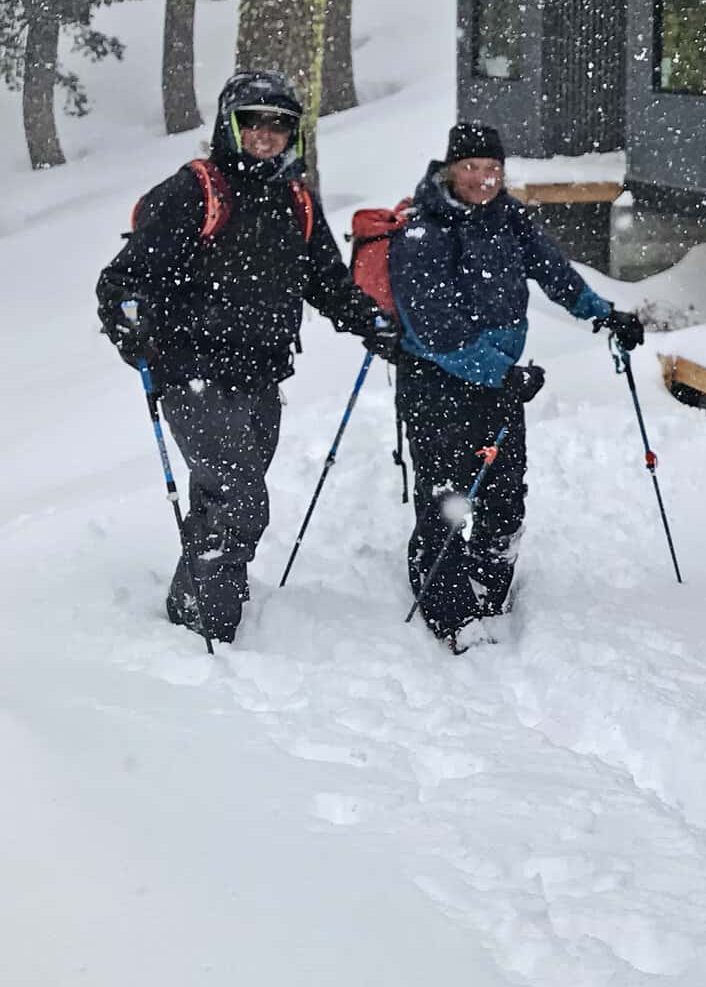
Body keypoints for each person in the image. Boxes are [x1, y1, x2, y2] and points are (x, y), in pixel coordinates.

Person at [97, 70, 402, 643]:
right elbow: (123, 279)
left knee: (224, 496)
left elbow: (328, 283)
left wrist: (374, 325)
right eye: (253, 122)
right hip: (193, 371)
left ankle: (189, 609)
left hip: (260, 375)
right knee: (239, 499)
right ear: (229, 126)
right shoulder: (196, 190)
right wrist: (128, 323)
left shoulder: (296, 200)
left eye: (279, 125)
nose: (266, 134)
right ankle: (214, 628)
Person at [388, 122, 643, 648]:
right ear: (450, 170)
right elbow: (434, 327)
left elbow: (554, 272)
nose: (483, 180)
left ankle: (490, 581)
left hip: (499, 382)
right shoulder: (423, 230)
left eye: (493, 170)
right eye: (472, 169)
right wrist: (502, 374)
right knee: (445, 499)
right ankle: (450, 611)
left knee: (504, 496)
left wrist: (604, 314)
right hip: (436, 382)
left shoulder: (508, 218)